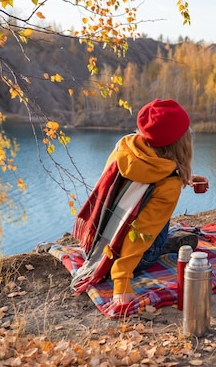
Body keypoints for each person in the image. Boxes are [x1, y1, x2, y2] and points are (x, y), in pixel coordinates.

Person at [86, 99, 206, 312]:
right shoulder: (168, 184)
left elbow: (132, 189)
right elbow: (141, 231)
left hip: (98, 241)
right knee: (156, 223)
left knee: (152, 211)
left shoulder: (125, 147)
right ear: (181, 142)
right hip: (127, 257)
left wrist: (183, 178)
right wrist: (121, 282)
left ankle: (167, 244)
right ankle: (165, 247)